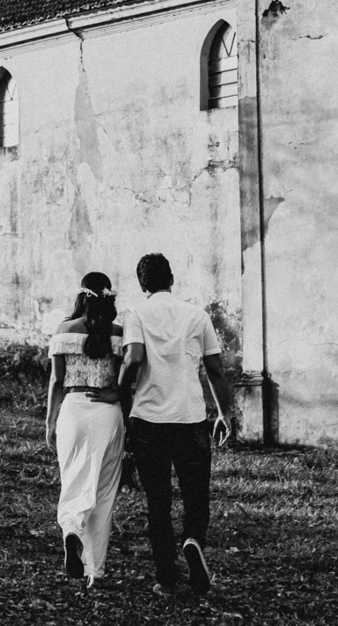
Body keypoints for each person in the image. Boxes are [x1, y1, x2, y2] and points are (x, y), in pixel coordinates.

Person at [120, 252, 233, 600]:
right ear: (172, 278)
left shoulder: (136, 314)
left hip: (149, 422)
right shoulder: (197, 315)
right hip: (191, 419)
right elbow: (215, 368)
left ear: (142, 285)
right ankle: (193, 540)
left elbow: (134, 357)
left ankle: (167, 579)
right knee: (196, 495)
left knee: (158, 502)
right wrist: (224, 413)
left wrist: (122, 391)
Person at [45, 272, 126, 586]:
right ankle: (96, 572)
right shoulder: (119, 333)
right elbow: (127, 376)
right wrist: (117, 396)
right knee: (104, 492)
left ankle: (71, 530)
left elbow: (55, 381)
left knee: (74, 480)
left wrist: (50, 422)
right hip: (109, 414)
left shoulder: (64, 330)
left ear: (81, 295)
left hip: (73, 411)